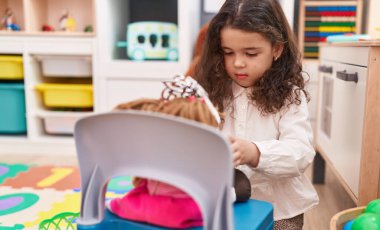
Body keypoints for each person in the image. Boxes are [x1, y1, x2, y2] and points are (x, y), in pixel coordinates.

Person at [194, 0, 319, 229]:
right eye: (228, 52)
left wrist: (255, 152)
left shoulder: (290, 96)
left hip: (279, 212)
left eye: (251, 53)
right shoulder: (213, 90)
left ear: (277, 49)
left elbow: (300, 153)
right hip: (226, 207)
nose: (238, 63)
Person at [108, 75, 251, 228]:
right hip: (190, 201)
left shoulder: (132, 200)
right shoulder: (187, 205)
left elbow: (116, 204)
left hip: (164, 195)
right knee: (238, 184)